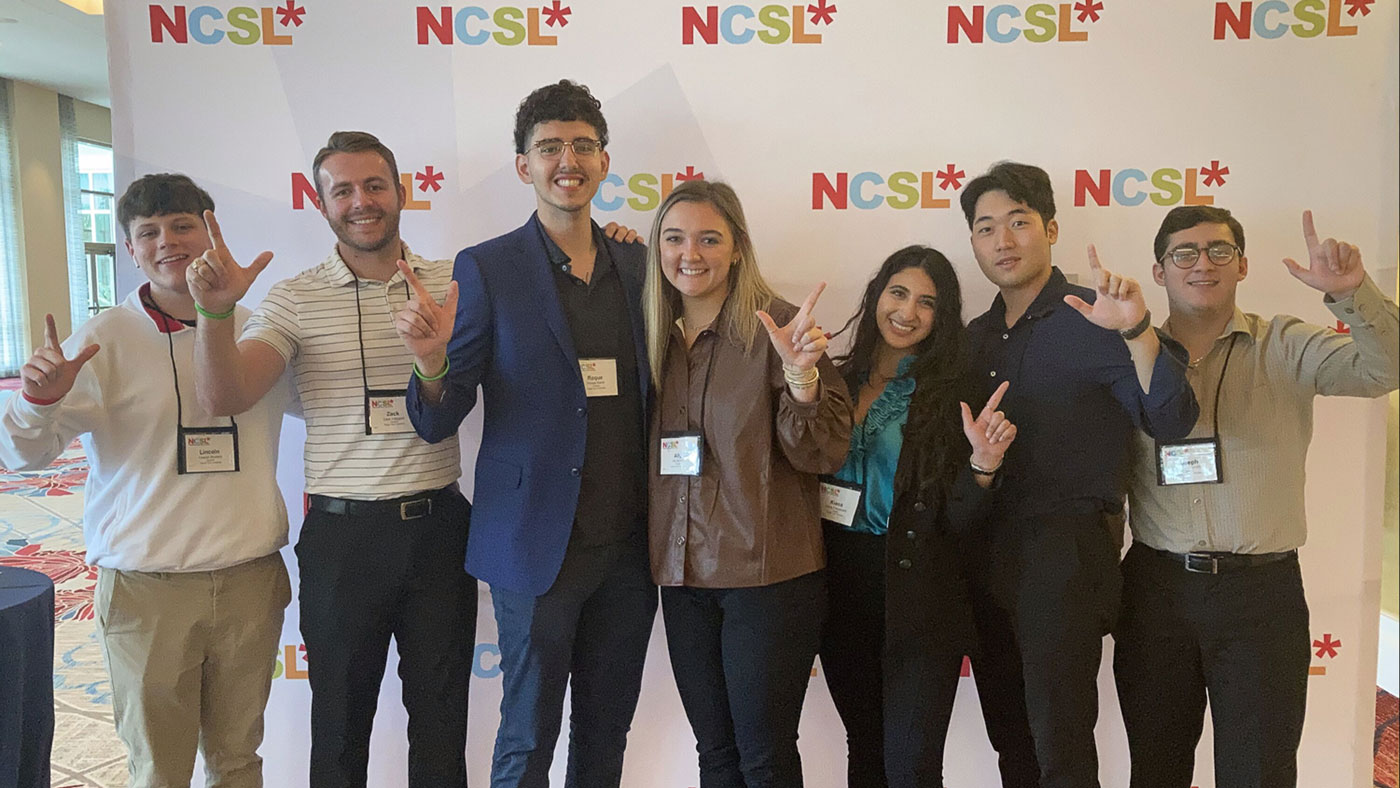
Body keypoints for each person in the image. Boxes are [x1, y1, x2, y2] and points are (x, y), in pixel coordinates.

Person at [185, 132, 475, 788]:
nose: (360, 201)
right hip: (344, 539)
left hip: (440, 530)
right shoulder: (294, 297)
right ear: (321, 205)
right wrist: (214, 312)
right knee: (340, 730)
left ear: (401, 193)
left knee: (442, 724)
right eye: (341, 190)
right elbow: (223, 395)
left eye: (374, 185)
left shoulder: (455, 281)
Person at [400, 80, 657, 788]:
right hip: (532, 547)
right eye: (549, 147)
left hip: (630, 550)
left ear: (604, 162)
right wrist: (430, 364)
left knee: (606, 731)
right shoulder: (486, 267)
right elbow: (439, 418)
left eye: (581, 146)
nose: (566, 160)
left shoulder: (639, 265)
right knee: (527, 733)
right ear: (524, 166)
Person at [0, 174, 292, 788]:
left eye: (183, 225)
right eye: (148, 233)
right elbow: (23, 456)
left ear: (212, 232)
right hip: (146, 589)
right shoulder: (104, 338)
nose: (168, 243)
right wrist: (35, 401)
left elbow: (328, 407)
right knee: (159, 768)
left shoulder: (262, 329)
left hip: (249, 579)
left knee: (240, 763)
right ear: (130, 250)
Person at [1114, 206, 1399, 788]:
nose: (1202, 264)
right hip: (1156, 592)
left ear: (1242, 265)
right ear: (1160, 269)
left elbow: (1383, 370)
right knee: (1156, 768)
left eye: (1219, 251)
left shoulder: (1286, 344)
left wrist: (1353, 295)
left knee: (1260, 773)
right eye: (1184, 253)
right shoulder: (1127, 354)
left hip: (1260, 598)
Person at [958, 162, 1199, 788]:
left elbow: (1172, 420)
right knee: (1011, 742)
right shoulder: (975, 338)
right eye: (986, 229)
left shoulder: (1099, 316)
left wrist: (1140, 332)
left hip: (1066, 557)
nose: (1003, 241)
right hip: (985, 555)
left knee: (1061, 748)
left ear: (1051, 228)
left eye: (1019, 223)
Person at [643, 178, 853, 787]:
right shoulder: (651, 330)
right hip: (681, 578)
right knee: (715, 754)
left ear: (738, 248)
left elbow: (821, 451)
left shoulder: (782, 328)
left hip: (768, 579)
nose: (691, 254)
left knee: (763, 757)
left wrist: (803, 381)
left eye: (710, 239)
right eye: (675, 238)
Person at [819, 245, 1018, 788]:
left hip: (921, 592)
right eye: (898, 293)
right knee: (865, 752)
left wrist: (982, 467)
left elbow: (964, 519)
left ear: (942, 316)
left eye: (926, 303)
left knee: (912, 766)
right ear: (877, 295)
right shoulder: (835, 379)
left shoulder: (955, 394)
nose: (907, 312)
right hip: (840, 588)